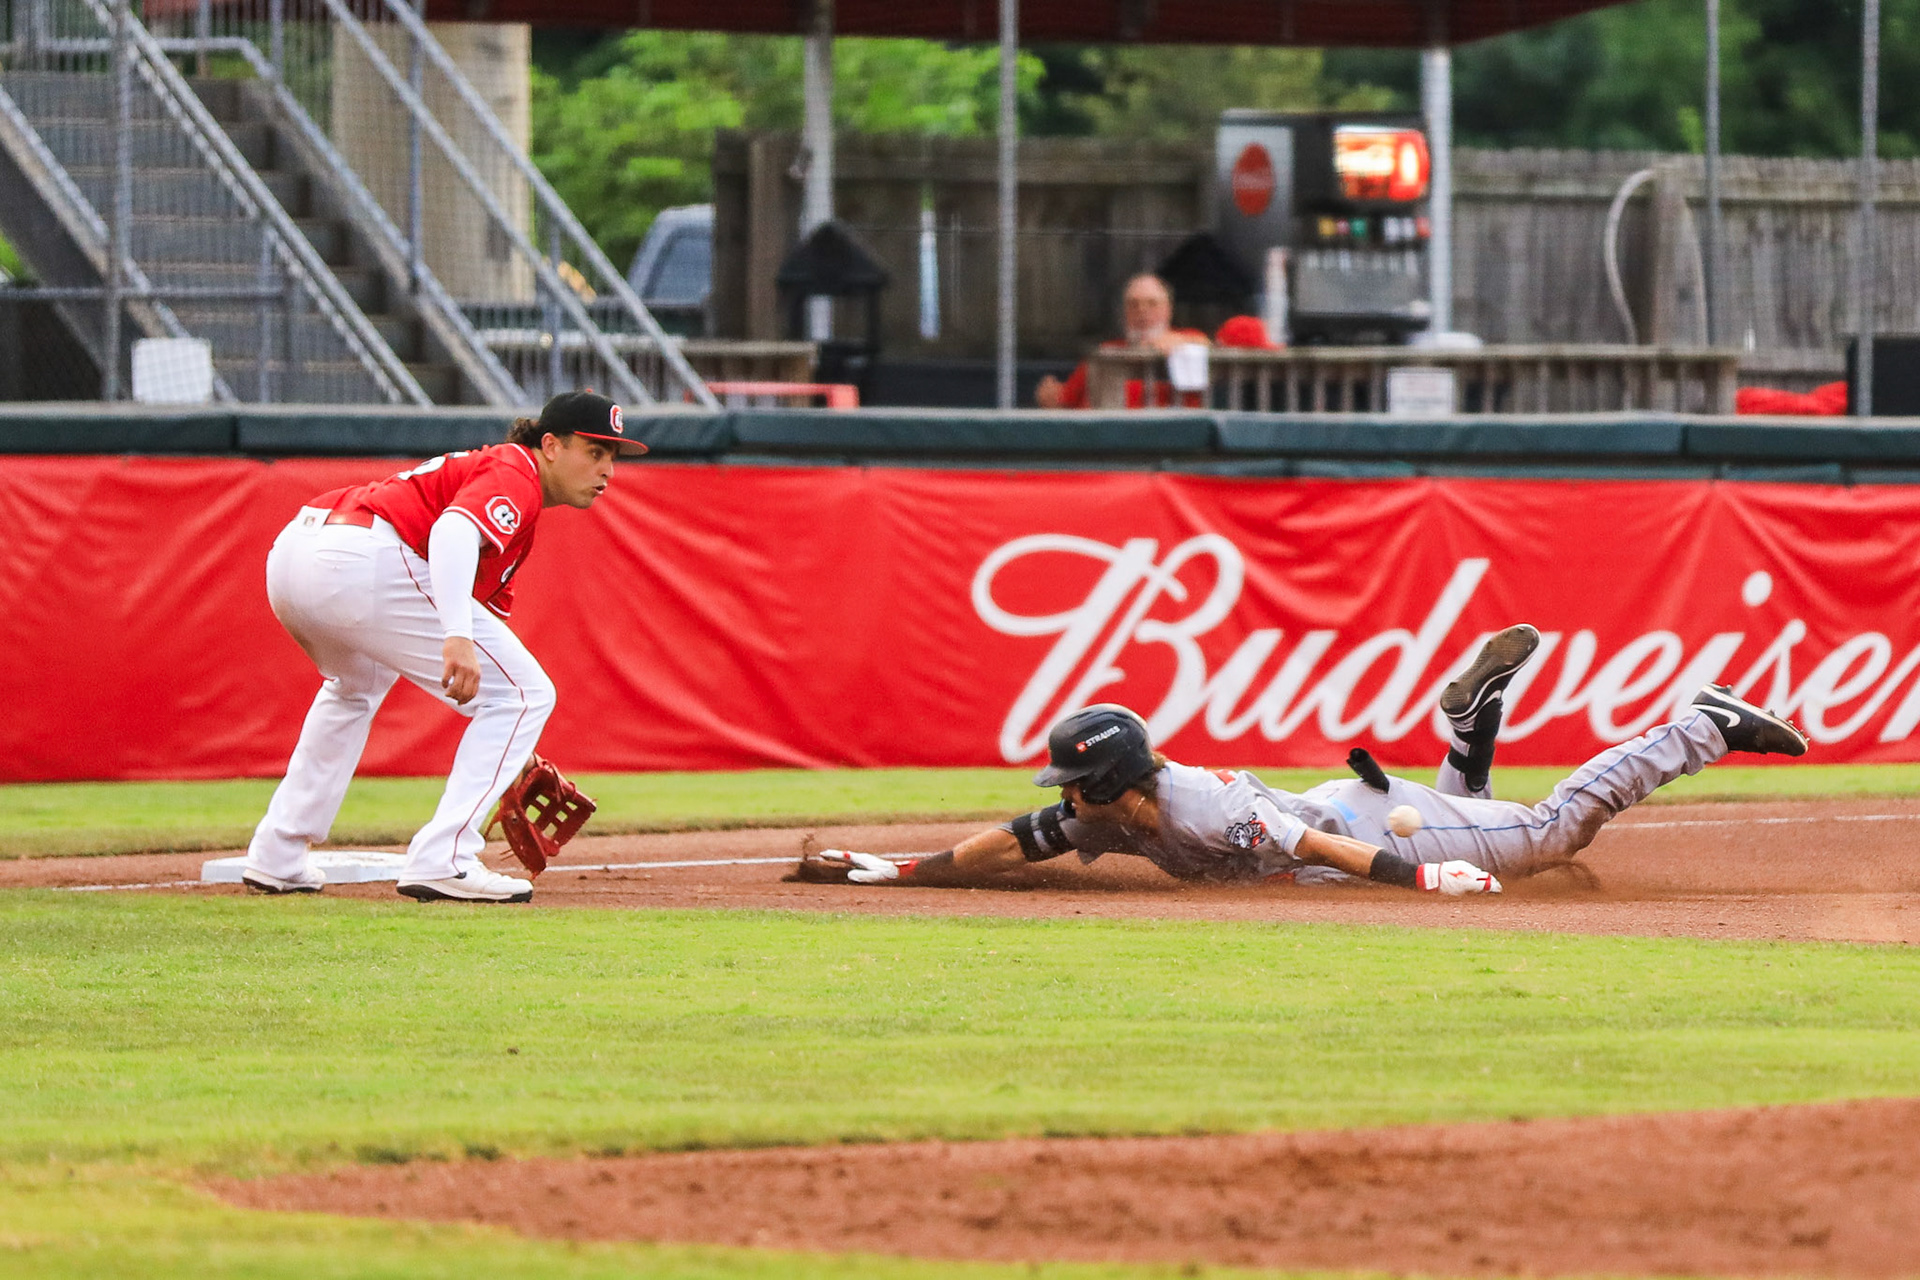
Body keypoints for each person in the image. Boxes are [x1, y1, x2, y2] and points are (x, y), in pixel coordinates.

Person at [801, 625, 1810, 894]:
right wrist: (891, 866)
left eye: (1077, 785)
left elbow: (1321, 848)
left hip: (1361, 824)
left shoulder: (1195, 810)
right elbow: (1010, 845)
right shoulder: (1113, 809)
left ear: (1119, 783)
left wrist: (1426, 877)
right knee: (1476, 816)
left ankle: (1702, 725)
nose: (1066, 803)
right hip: (1363, 804)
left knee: (1545, 834)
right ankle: (1468, 731)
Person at [239, 390, 644, 903]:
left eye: (612, 456)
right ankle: (444, 859)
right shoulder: (516, 472)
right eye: (594, 451)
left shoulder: (511, 508)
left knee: (354, 688)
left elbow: (488, 651)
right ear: (549, 446)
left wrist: (512, 752)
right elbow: (452, 532)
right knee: (526, 695)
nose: (607, 469)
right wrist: (457, 634)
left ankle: (278, 854)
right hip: (363, 557)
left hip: (297, 553)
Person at [1034, 273, 1211, 410]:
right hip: (1106, 441)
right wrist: (1050, 396)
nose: (1142, 310)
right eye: (1133, 304)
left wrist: (1183, 342)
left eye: (1152, 303)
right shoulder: (1107, 351)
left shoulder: (1189, 340)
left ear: (1168, 310)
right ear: (1124, 312)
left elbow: (1213, 344)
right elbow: (1064, 400)